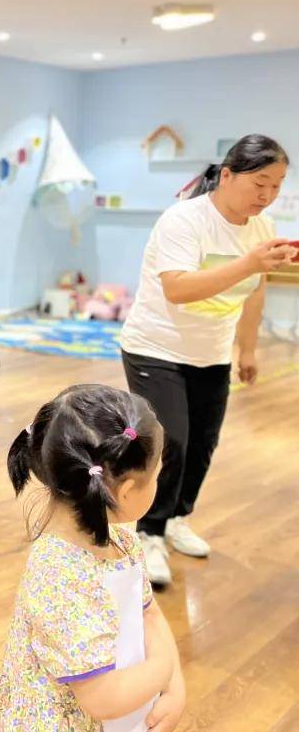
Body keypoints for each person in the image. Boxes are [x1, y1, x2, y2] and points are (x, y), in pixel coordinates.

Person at [119, 134, 297, 586]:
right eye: (260, 182)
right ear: (228, 174)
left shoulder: (261, 228)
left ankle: (177, 518)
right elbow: (177, 288)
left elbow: (256, 293)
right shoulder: (184, 220)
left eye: (277, 185)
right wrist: (249, 263)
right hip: (155, 348)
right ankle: (149, 530)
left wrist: (249, 348)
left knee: (202, 444)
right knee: (171, 440)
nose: (268, 195)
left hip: (211, 353)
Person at [0, 385, 185, 732]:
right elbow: (101, 698)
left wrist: (174, 687)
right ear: (124, 492)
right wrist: (163, 668)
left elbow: (148, 613)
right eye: (157, 476)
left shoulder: (121, 540)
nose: (159, 483)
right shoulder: (57, 574)